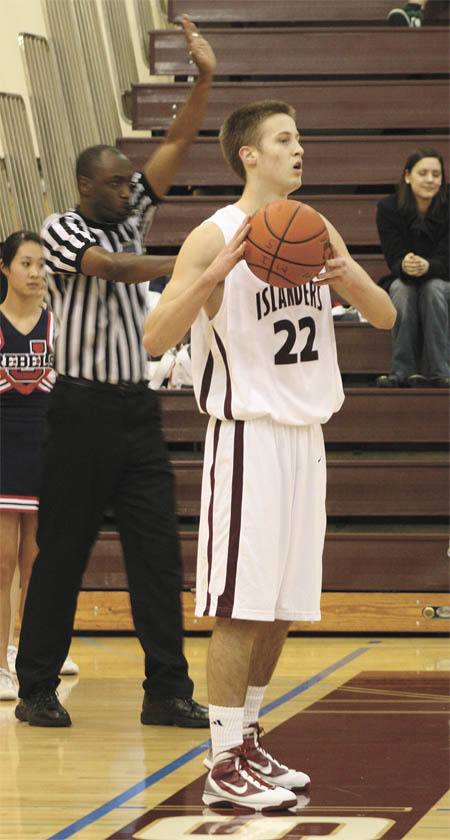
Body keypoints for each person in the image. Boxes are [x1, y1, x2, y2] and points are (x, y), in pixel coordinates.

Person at [143, 100, 396, 811]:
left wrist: (348, 277)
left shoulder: (310, 230)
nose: (300, 148)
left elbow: (385, 316)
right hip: (249, 435)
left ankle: (247, 737)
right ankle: (222, 763)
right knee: (241, 607)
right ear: (248, 155)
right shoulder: (213, 234)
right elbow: (155, 338)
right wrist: (211, 274)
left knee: (281, 608)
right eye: (285, 139)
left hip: (306, 436)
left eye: (300, 138)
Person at [15, 15, 215, 728]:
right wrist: (194, 262)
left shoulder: (129, 212)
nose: (128, 189)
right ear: (82, 185)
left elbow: (179, 142)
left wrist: (205, 79)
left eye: (128, 181)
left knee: (157, 555)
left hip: (135, 412)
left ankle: (166, 690)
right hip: (78, 412)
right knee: (63, 552)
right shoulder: (64, 229)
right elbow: (116, 269)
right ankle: (36, 685)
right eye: (113, 183)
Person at [0, 232, 77, 702]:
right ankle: (0, 661)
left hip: (47, 447)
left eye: (40, 265)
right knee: (3, 560)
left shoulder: (57, 325)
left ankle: (30, 650)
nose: (35, 272)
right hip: (3, 447)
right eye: (25, 263)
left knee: (38, 561)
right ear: (5, 268)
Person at [376, 147, 449, 388]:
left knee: (434, 290)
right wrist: (405, 264)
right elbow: (393, 256)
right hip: (405, 278)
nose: (430, 179)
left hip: (442, 277)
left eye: (436, 174)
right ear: (407, 176)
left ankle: (441, 371)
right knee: (401, 290)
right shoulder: (388, 208)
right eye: (423, 173)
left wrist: (429, 265)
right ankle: (402, 372)